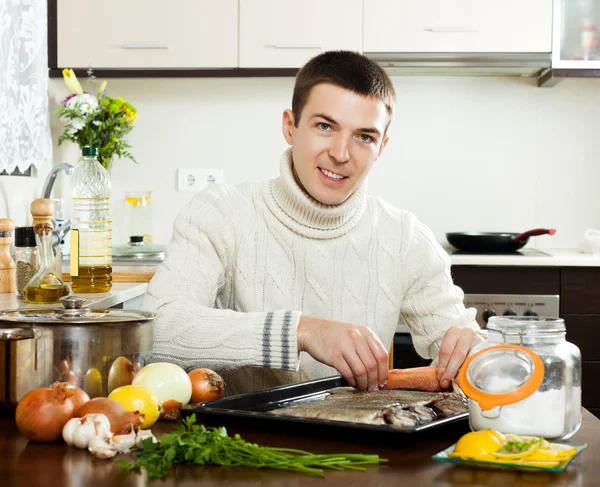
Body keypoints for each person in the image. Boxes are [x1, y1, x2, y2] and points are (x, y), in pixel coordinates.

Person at [142, 50, 484, 395]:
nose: (340, 153)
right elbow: (155, 332)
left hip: (359, 440)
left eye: (364, 136)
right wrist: (301, 331)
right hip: (241, 441)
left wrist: (474, 354)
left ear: (381, 147)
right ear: (290, 126)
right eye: (325, 126)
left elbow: (466, 350)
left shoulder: (404, 237)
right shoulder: (221, 213)